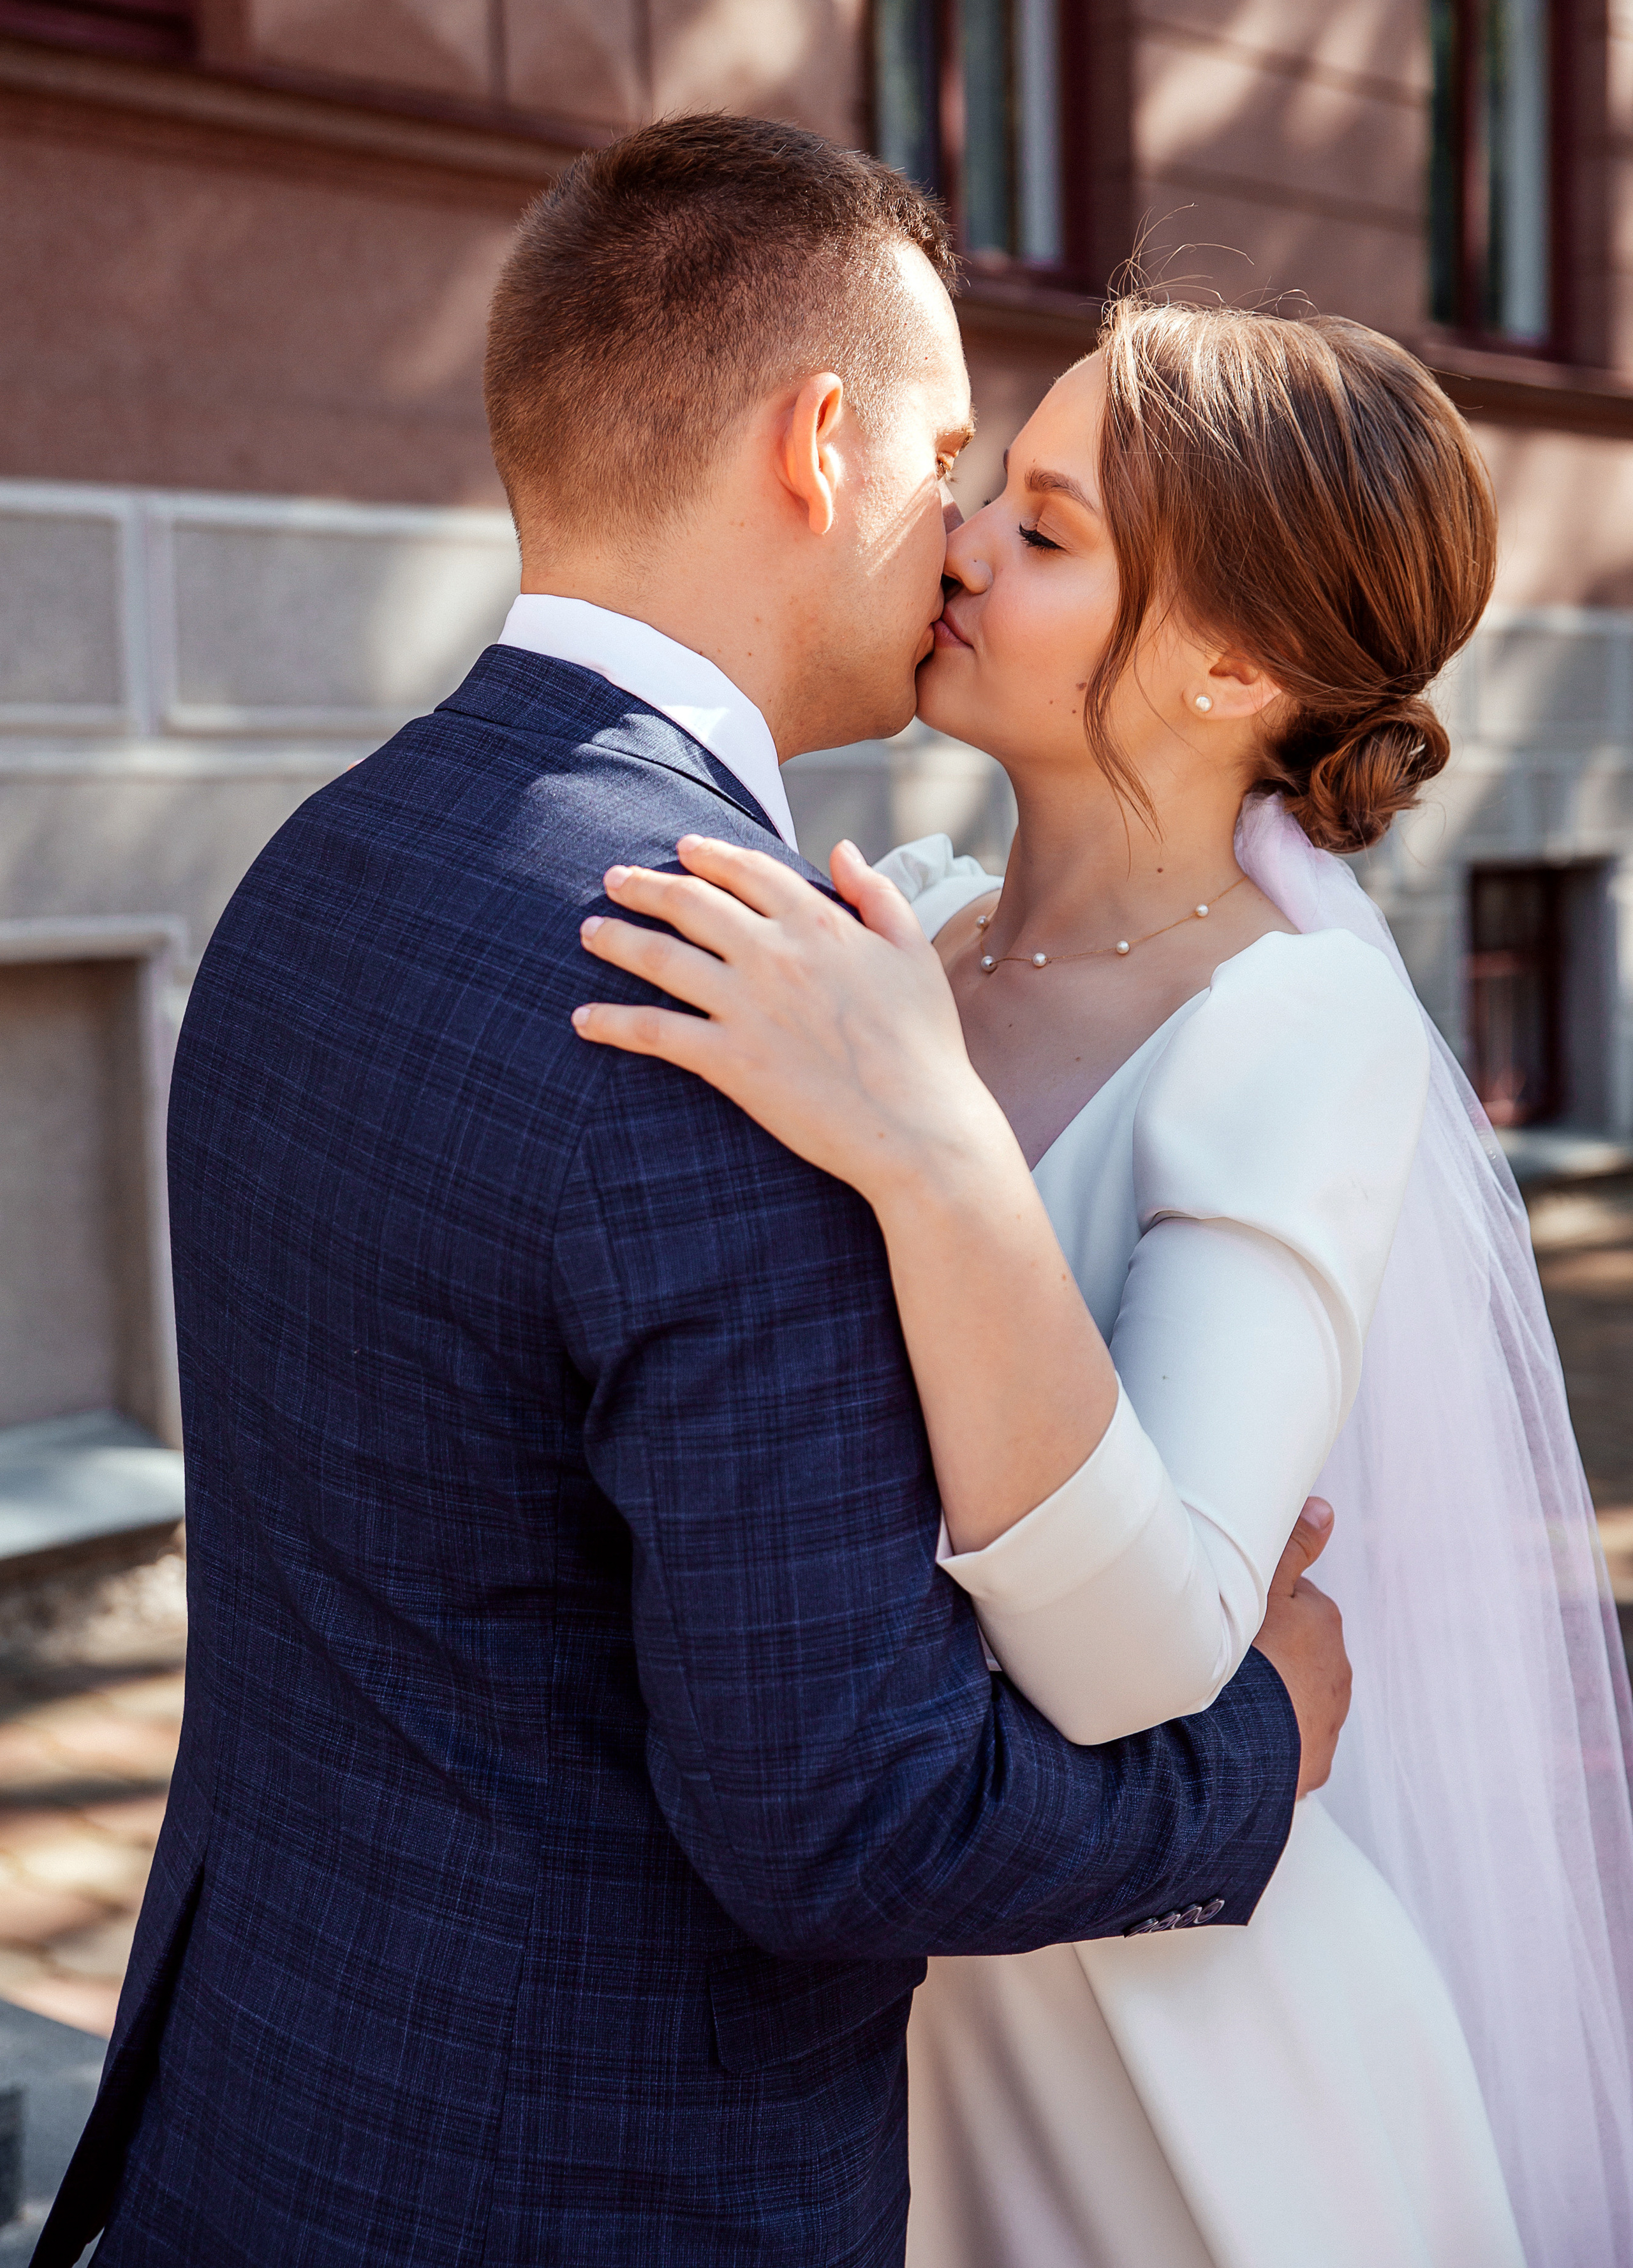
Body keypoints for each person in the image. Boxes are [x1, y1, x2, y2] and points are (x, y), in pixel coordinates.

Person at [36, 124, 1348, 2268]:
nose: (960, 538)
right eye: (948, 462)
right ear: (821, 446)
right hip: (590, 2196)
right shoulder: (729, 1008)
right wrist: (1261, 1741)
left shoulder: (312, 868)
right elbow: (847, 1820)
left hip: (251, 2123)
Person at [572, 298, 1633, 2266]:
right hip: (864, 1996)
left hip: (1167, 2067)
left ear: (1239, 664)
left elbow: (1150, 1662)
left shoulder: (1295, 1027)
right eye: (990, 492)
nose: (957, 539)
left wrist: (929, 1151)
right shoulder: (915, 926)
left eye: (1047, 533)